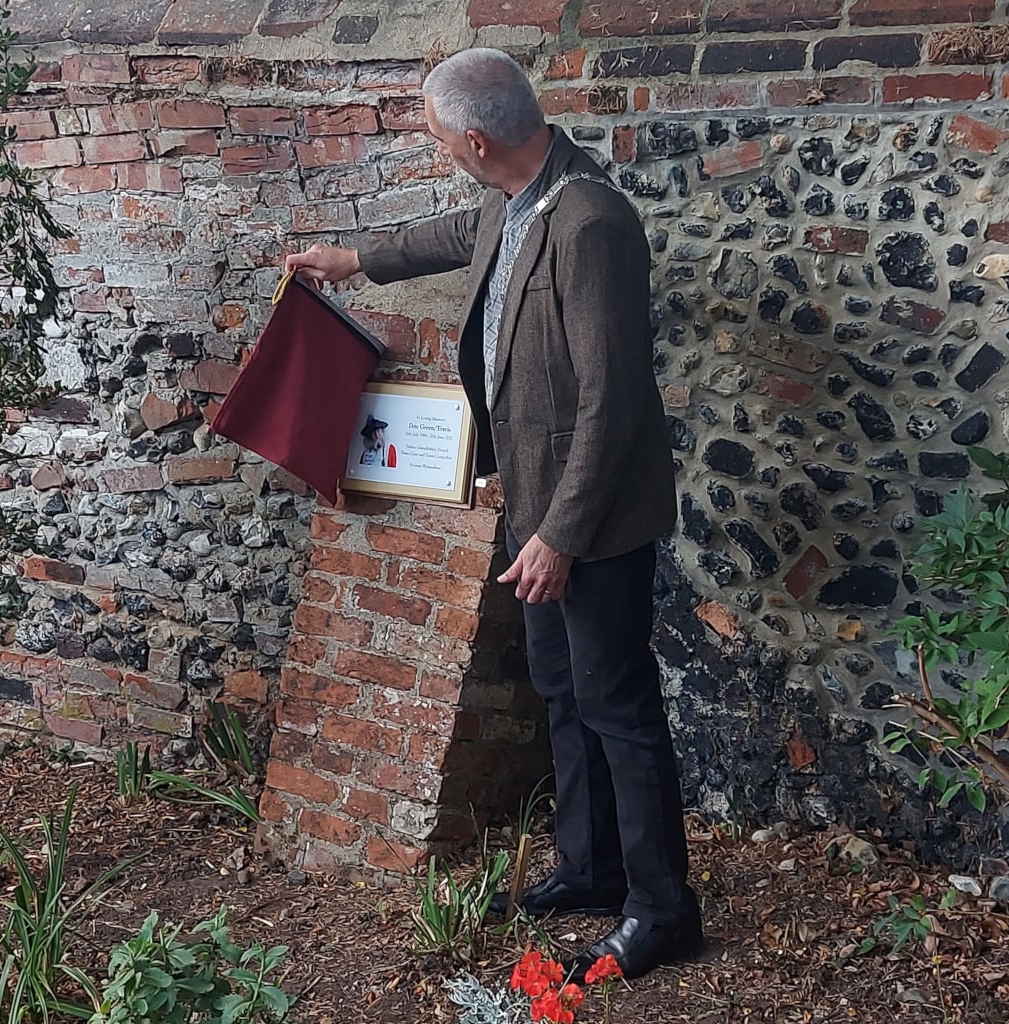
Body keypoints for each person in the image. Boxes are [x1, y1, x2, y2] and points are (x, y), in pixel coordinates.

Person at [284, 47, 702, 981]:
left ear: (475, 138)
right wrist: (352, 259)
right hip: (535, 501)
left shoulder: (591, 222)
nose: (437, 150)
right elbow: (452, 238)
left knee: (620, 709)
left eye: (436, 136)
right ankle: (590, 868)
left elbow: (614, 402)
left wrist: (558, 534)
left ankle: (664, 910)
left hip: (588, 522)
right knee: (563, 691)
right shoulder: (516, 190)